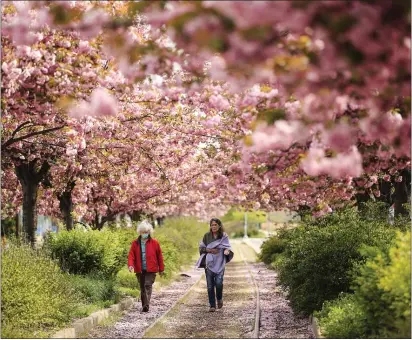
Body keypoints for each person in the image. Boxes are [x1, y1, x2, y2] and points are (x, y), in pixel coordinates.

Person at [196, 218, 234, 312]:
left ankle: (219, 298)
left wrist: (226, 251)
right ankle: (212, 305)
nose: (213, 227)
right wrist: (209, 250)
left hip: (220, 263)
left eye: (215, 225)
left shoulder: (224, 236)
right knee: (210, 285)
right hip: (209, 263)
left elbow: (227, 247)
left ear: (219, 226)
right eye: (212, 225)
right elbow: (201, 248)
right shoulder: (207, 236)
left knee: (219, 283)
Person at [128, 220, 165, 312]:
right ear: (140, 232)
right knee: (142, 287)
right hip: (140, 269)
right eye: (143, 232)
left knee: (147, 285)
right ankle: (144, 304)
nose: (145, 234)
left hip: (151, 269)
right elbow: (131, 255)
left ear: (149, 232)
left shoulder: (155, 243)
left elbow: (159, 256)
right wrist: (131, 265)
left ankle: (146, 305)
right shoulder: (135, 243)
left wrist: (161, 269)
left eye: (147, 232)